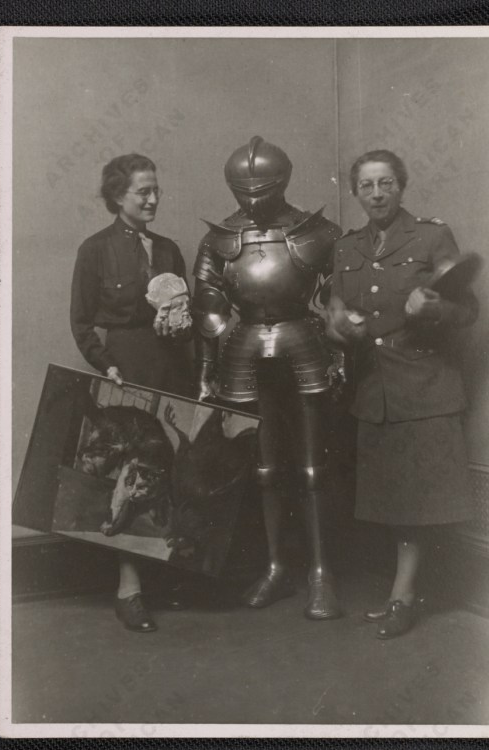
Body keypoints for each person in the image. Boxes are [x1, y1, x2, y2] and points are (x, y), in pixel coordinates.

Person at [327, 149, 478, 639]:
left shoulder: (431, 236)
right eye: (367, 186)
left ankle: (403, 597)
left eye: (386, 183)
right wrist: (340, 328)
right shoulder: (346, 248)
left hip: (424, 384)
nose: (377, 194)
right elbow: (336, 315)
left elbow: (467, 310)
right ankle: (404, 592)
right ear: (356, 192)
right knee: (393, 498)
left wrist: (433, 307)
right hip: (375, 389)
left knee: (414, 501)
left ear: (401, 186)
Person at [192, 136, 343, 620]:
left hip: (304, 341)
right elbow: (208, 313)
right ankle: (277, 568)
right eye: (244, 191)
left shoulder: (318, 232)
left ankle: (321, 574)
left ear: (283, 182)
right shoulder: (218, 239)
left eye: (262, 190)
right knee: (265, 468)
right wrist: (206, 371)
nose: (253, 201)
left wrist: (341, 359)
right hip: (246, 348)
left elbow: (339, 302)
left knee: (313, 467)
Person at [70, 153, 193, 632]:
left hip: (172, 369)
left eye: (156, 190)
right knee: (132, 472)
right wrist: (108, 365)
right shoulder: (95, 250)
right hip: (126, 372)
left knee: (171, 467)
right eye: (143, 191)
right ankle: (130, 589)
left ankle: (165, 577)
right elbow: (82, 323)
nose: (153, 199)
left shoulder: (169, 250)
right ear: (118, 196)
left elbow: (183, 318)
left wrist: (183, 330)